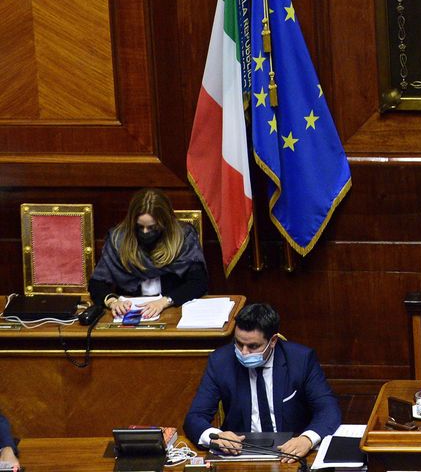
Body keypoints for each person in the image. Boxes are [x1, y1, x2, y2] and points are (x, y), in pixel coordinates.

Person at [184, 302, 340, 463]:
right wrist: (214, 436)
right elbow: (195, 416)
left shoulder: (300, 359)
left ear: (273, 341)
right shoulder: (220, 361)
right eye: (238, 343)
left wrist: (307, 439)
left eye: (253, 346)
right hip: (238, 453)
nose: (244, 352)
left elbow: (329, 410)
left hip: (289, 452)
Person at [88, 188, 208, 320]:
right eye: (140, 227)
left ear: (165, 224)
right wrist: (113, 302)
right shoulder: (118, 239)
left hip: (173, 311)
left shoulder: (183, 237)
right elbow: (97, 283)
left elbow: (198, 282)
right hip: (130, 312)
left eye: (152, 227)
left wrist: (164, 302)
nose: (145, 232)